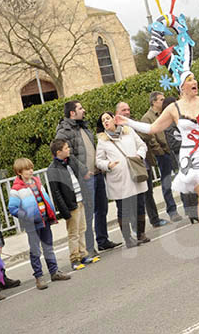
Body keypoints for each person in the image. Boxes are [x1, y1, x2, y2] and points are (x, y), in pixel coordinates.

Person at [120, 55, 199, 258]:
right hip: (192, 158)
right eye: (189, 80)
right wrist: (128, 122)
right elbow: (152, 128)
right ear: (182, 86)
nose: (194, 82)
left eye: (194, 78)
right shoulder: (174, 108)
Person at [55, 100, 120, 252]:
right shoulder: (64, 131)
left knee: (102, 208)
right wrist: (83, 171)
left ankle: (103, 240)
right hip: (84, 178)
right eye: (80, 108)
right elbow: (67, 155)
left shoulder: (84, 127)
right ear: (72, 113)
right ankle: (89, 248)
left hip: (97, 174)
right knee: (88, 214)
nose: (83, 110)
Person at [7, 158, 69, 289]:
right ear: (19, 172)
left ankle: (54, 271)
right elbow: (13, 208)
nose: (31, 171)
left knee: (48, 247)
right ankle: (39, 276)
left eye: (31, 168)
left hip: (44, 218)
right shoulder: (16, 189)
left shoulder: (37, 181)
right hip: (32, 224)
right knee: (35, 250)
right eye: (27, 169)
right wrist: (27, 217)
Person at [95, 112, 150, 248]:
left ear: (114, 119)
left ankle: (141, 234)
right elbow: (98, 160)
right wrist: (108, 165)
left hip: (134, 174)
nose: (106, 122)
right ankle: (128, 238)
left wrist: (139, 156)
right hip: (118, 179)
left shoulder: (128, 131)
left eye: (108, 118)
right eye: (103, 121)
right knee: (123, 209)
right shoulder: (102, 140)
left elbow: (142, 145)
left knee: (140, 205)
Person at [47, 138, 99, 270]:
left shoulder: (70, 161)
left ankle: (83, 254)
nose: (68, 149)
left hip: (80, 199)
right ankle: (74, 259)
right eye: (65, 148)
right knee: (73, 233)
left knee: (82, 229)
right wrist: (64, 210)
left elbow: (81, 176)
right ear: (58, 152)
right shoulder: (53, 169)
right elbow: (56, 192)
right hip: (70, 204)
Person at [116, 101, 168, 228]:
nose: (127, 112)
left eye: (128, 109)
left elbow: (147, 135)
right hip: (129, 167)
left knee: (148, 193)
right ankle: (136, 226)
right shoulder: (115, 127)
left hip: (144, 164)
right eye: (124, 110)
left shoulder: (134, 123)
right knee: (134, 197)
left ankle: (154, 219)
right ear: (117, 112)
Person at [141, 92, 183, 223]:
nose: (163, 101)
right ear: (154, 102)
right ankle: (172, 210)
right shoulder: (147, 118)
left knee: (181, 177)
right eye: (161, 99)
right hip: (163, 154)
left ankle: (188, 205)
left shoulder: (167, 113)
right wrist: (160, 151)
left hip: (173, 150)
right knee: (166, 183)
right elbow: (150, 137)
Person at [161, 96, 199, 223]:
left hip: (188, 153)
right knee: (187, 183)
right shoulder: (169, 123)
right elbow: (173, 143)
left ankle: (195, 209)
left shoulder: (180, 118)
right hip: (180, 155)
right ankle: (191, 211)